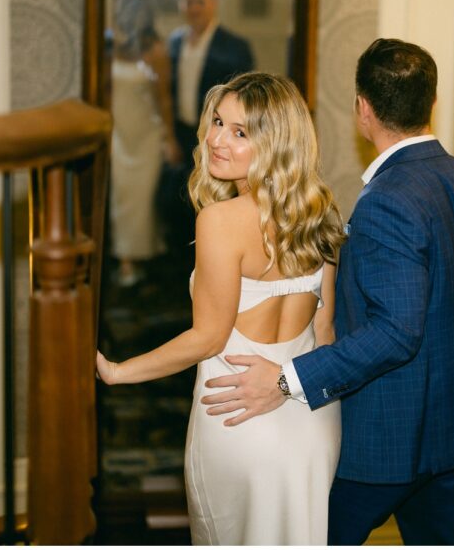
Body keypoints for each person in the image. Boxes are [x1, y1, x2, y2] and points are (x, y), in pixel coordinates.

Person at [200, 38, 454, 545]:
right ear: (431, 103)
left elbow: (396, 332)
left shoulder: (385, 202)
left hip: (384, 442)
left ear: (362, 109)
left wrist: (286, 381)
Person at [96, 72, 346, 545]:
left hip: (235, 415)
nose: (215, 140)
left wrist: (117, 371)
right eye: (216, 121)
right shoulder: (322, 214)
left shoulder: (220, 221)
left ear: (274, 145)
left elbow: (208, 338)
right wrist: (293, 384)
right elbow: (325, 330)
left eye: (239, 132)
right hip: (312, 422)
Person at [161, 0, 256, 263]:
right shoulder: (175, 41)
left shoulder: (234, 46)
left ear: (213, 5)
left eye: (200, 2)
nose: (194, 8)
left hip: (218, 135)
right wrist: (168, 136)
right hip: (182, 131)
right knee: (176, 203)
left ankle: (213, 263)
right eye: (188, 2)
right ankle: (180, 272)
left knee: (213, 201)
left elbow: (245, 101)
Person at [109, 0, 183, 286]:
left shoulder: (156, 48)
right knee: (121, 197)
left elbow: (163, 98)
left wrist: (169, 139)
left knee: (142, 201)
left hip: (146, 135)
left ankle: (140, 263)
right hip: (118, 132)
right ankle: (125, 260)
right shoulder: (109, 45)